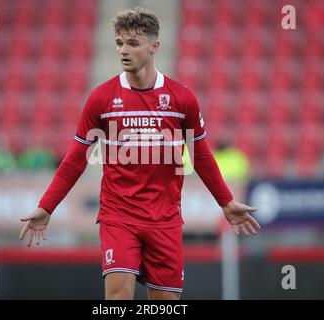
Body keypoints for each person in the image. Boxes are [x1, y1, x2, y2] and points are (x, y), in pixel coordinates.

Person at [19, 7, 260, 300]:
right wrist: (47, 206)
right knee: (119, 298)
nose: (123, 50)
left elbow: (202, 156)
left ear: (154, 46)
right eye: (120, 43)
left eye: (132, 43)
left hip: (166, 219)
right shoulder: (101, 98)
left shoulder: (181, 98)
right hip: (118, 216)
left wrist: (226, 202)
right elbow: (75, 159)